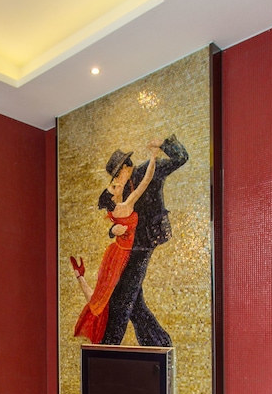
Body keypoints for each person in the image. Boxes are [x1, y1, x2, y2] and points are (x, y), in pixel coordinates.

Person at [100, 134, 188, 346]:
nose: (115, 180)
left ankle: (109, 345)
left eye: (117, 174)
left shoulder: (148, 169)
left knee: (122, 297)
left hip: (145, 241)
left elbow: (181, 158)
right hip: (128, 245)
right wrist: (113, 231)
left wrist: (163, 144)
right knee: (134, 300)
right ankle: (159, 344)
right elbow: (117, 218)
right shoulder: (119, 190)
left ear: (125, 167)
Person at [71, 146, 160, 344]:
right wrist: (153, 157)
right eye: (113, 186)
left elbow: (144, 182)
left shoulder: (120, 205)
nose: (117, 183)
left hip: (118, 254)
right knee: (105, 297)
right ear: (113, 197)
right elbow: (145, 182)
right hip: (120, 256)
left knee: (105, 297)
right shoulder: (124, 206)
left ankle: (80, 277)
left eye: (116, 181)